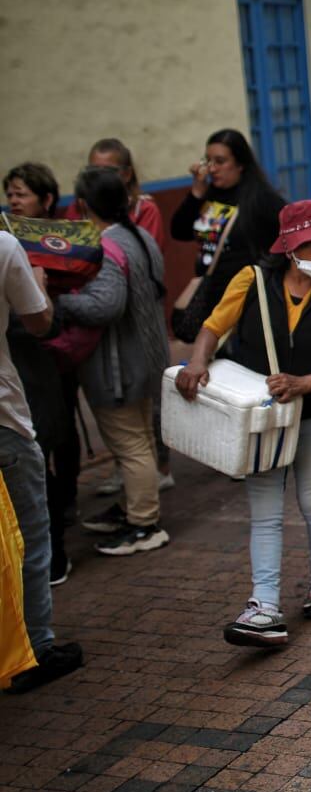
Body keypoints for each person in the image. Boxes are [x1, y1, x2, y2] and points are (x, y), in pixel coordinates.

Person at [176, 200, 311, 647]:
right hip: (261, 415)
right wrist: (197, 363)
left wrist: (307, 382)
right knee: (265, 511)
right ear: (290, 249)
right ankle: (264, 605)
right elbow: (212, 326)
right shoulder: (253, 280)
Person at [63, 168, 170, 556]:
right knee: (140, 439)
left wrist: (55, 302)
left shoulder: (107, 246)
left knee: (131, 446)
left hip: (119, 366)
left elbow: (105, 305)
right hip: (146, 357)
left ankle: (144, 524)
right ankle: (133, 508)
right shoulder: (138, 235)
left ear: (82, 207)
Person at [0, 223, 85, 694]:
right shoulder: (4, 245)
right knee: (30, 538)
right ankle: (34, 649)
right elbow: (39, 321)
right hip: (3, 420)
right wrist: (38, 282)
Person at [4, 164, 82, 585]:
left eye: (22, 193)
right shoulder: (7, 244)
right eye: (10, 194)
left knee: (49, 444)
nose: (14, 201)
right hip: (22, 364)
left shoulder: (58, 240)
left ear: (46, 199)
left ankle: (53, 548)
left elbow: (47, 320)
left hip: (42, 363)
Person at [170, 129, 287, 324]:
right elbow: (179, 231)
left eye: (220, 161)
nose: (212, 169)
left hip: (246, 300)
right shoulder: (209, 195)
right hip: (210, 296)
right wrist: (196, 193)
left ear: (240, 164)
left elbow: (288, 236)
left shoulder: (260, 199)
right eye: (208, 161)